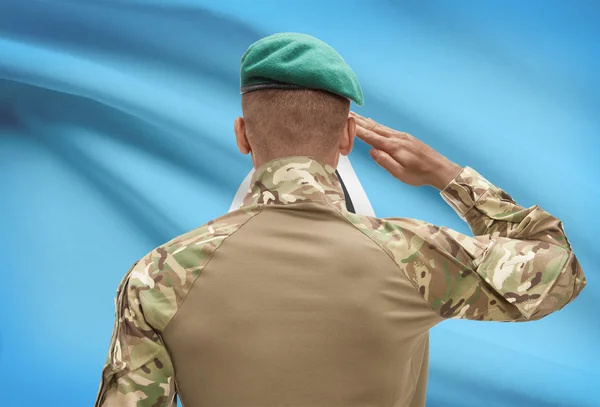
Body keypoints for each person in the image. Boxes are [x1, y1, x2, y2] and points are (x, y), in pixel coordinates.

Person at [94, 33, 587, 407]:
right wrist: (448, 176)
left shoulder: (157, 275)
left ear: (243, 135)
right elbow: (559, 268)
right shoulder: (415, 256)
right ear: (349, 135)